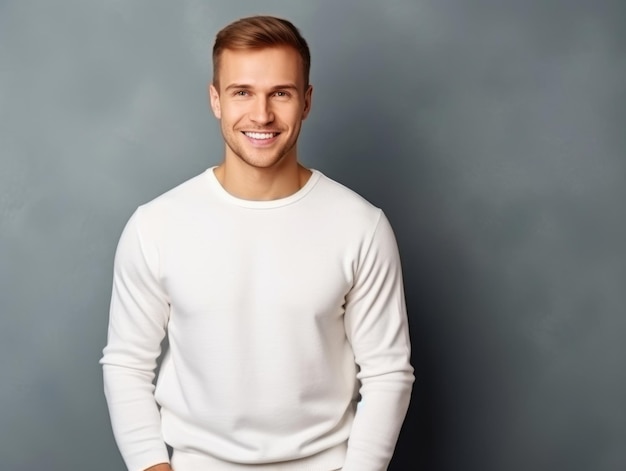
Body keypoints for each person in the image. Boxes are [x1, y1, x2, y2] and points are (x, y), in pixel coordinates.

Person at [100, 15, 414, 471]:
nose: (262, 115)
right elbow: (126, 362)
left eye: (280, 93)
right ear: (215, 100)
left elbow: (388, 373)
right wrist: (152, 465)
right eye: (242, 92)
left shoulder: (361, 226)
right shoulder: (156, 225)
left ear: (306, 102)